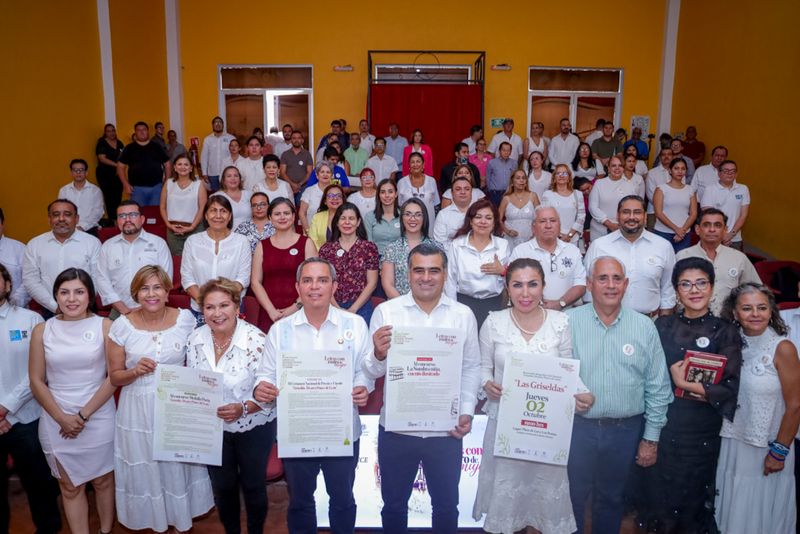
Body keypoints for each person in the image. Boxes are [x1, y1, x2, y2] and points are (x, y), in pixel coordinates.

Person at [366, 242, 481, 533]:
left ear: (445, 274)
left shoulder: (462, 315)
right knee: (393, 506)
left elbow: (470, 368)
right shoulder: (387, 313)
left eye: (434, 271)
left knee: (445, 507)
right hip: (396, 429)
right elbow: (371, 372)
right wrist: (378, 354)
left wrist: (466, 411)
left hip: (446, 430)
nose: (426, 277)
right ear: (408, 273)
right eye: (419, 270)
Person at [473, 258, 592, 534]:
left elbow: (568, 370)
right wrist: (488, 384)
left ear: (543, 286)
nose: (525, 293)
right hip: (506, 425)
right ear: (507, 287)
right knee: (507, 506)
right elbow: (481, 368)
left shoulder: (560, 322)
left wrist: (583, 394)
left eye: (532, 284)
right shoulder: (494, 322)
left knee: (541, 508)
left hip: (546, 431)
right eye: (517, 285)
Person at [254, 257, 373, 533]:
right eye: (307, 280)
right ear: (297, 287)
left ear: (334, 286)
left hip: (342, 432)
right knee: (300, 502)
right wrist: (262, 387)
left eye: (322, 280)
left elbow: (365, 370)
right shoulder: (280, 330)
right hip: (298, 432)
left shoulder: (355, 325)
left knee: (343, 500)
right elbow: (265, 374)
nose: (314, 287)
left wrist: (362, 386)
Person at [633, 257, 742, 533]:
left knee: (693, 500)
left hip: (702, 432)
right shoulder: (662, 327)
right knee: (658, 497)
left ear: (712, 287)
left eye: (701, 283)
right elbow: (648, 378)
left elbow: (729, 387)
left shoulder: (726, 332)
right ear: (676, 290)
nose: (694, 290)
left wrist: (686, 383)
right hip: (664, 426)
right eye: (686, 284)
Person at [567, 256, 673, 534]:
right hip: (576, 430)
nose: (610, 285)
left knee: (612, 499)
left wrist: (650, 439)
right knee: (570, 499)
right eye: (602, 278)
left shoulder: (644, 327)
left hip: (624, 431)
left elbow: (658, 386)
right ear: (589, 284)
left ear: (626, 285)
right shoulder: (566, 322)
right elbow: (554, 374)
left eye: (617, 279)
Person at [107, 265, 214, 532]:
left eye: (157, 287)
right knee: (147, 467)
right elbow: (115, 377)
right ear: (136, 294)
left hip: (176, 405)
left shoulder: (186, 319)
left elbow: (202, 360)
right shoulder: (121, 326)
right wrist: (133, 371)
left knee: (177, 466)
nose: (151, 293)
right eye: (144, 288)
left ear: (167, 291)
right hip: (137, 408)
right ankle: (155, 522)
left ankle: (180, 522)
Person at [29, 268, 116, 534]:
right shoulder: (42, 330)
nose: (71, 299)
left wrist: (82, 416)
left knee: (103, 480)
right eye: (64, 292)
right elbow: (36, 380)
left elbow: (113, 377)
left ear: (90, 295)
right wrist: (62, 418)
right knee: (69, 486)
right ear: (55, 295)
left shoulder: (105, 325)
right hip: (56, 416)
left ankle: (104, 530)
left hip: (98, 414)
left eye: (79, 291)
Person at [186, 278, 275, 534]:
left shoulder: (257, 340)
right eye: (210, 307)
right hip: (213, 429)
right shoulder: (195, 340)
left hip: (254, 426)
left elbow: (270, 392)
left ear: (237, 307)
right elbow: (194, 383)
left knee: (253, 485)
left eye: (224, 305)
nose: (217, 313)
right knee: (223, 487)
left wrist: (243, 409)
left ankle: (256, 530)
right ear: (202, 310)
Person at [716, 283, 800, 534]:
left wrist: (779, 452)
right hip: (732, 440)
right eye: (747, 308)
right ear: (734, 313)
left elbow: (795, 405)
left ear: (771, 312)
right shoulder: (729, 344)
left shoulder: (782, 348)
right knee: (733, 505)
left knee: (758, 511)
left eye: (762, 307)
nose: (755, 314)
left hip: (767, 446)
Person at [0, 263, 61, 534]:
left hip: (27, 418)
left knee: (40, 487)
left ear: (8, 284)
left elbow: (38, 371)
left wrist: (5, 408)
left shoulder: (31, 320)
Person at [585, 195, 676, 316]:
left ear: (644, 217)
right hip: (606, 322)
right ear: (618, 216)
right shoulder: (599, 246)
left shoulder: (663, 246)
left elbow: (668, 288)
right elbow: (588, 288)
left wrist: (664, 321)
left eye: (637, 212)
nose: (631, 217)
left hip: (650, 322)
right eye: (626, 212)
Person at [676, 207, 760, 315]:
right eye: (706, 225)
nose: (712, 229)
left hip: (728, 324)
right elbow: (670, 293)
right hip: (690, 323)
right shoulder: (682, 257)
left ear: (725, 229)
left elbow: (755, 291)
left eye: (717, 225)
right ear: (697, 229)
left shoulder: (739, 258)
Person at [181, 196, 252, 324]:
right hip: (200, 308)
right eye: (213, 210)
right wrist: (207, 305)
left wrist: (223, 305)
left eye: (223, 211)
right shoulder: (192, 242)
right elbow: (187, 279)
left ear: (230, 216)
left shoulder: (242, 241)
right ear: (206, 215)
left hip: (231, 310)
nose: (218, 215)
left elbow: (242, 279)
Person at [23, 199, 101, 314]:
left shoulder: (92, 243)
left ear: (77, 219)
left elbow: (98, 278)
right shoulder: (35, 245)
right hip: (50, 310)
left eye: (68, 214)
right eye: (56, 215)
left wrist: (80, 304)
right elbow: (30, 280)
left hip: (85, 308)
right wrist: (54, 307)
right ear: (49, 219)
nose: (61, 219)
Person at [96, 201, 172, 318]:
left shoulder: (158, 244)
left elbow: (165, 279)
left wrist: (143, 308)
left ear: (142, 219)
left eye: (133, 215)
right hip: (118, 311)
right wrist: (123, 309)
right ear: (117, 221)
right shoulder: (108, 246)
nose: (127, 220)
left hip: (152, 309)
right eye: (122, 216)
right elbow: (102, 279)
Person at [250, 198, 316, 333]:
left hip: (301, 311)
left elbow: (313, 281)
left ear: (293, 216)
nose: (282, 217)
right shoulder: (262, 246)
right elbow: (256, 282)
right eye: (277, 214)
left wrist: (295, 307)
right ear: (270, 218)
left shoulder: (306, 243)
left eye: (286, 213)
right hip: (270, 314)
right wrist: (271, 311)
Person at [445, 199, 509, 327]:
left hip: (493, 303)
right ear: (470, 221)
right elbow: (450, 280)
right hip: (463, 303)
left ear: (494, 222)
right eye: (478, 217)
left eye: (488, 218)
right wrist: (453, 310)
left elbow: (513, 280)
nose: (483, 222)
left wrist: (503, 271)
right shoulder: (458, 244)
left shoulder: (503, 245)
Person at [509, 205, 587, 310]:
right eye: (542, 221)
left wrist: (560, 303)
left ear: (559, 225)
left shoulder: (573, 251)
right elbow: (512, 285)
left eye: (553, 220)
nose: (548, 225)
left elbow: (581, 284)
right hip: (530, 315)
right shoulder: (520, 252)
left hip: (566, 315)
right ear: (533, 227)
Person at [319, 203, 379, 323]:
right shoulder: (326, 249)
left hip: (361, 307)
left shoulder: (369, 247)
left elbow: (372, 283)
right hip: (331, 306)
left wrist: (353, 308)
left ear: (358, 222)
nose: (347, 222)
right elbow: (323, 281)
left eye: (351, 218)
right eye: (343, 218)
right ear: (337, 222)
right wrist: (336, 308)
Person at [382, 198, 440, 298]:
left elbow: (441, 282)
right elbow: (388, 285)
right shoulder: (391, 249)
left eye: (418, 214)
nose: (412, 219)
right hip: (399, 307)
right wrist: (406, 307)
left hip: (430, 306)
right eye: (408, 214)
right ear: (402, 218)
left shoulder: (436, 248)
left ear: (424, 218)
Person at [159, 155, 207, 256]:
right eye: (179, 164)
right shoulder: (168, 183)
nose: (183, 167)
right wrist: (168, 225)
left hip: (195, 229)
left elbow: (202, 208)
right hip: (173, 229)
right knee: (177, 261)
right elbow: (162, 207)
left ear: (191, 168)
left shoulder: (198, 184)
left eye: (186, 164)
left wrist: (192, 227)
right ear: (175, 168)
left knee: (196, 260)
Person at [698, 159, 750, 250]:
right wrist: (723, 235)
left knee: (733, 263)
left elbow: (743, 215)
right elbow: (708, 215)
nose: (729, 173)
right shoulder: (710, 189)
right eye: (726, 171)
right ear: (719, 173)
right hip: (713, 236)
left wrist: (730, 235)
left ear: (736, 174)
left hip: (734, 238)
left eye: (733, 171)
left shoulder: (743, 189)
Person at [588, 155, 642, 241]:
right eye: (613, 165)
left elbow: (634, 208)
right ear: (608, 168)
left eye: (620, 165)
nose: (617, 168)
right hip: (600, 230)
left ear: (623, 168)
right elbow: (593, 207)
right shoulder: (599, 183)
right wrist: (609, 224)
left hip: (623, 230)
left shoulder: (631, 186)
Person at [118, 121, 171, 207]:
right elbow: (120, 167)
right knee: (139, 214)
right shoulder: (129, 148)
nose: (142, 132)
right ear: (135, 133)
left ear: (148, 131)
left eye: (144, 129)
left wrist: (166, 182)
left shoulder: (156, 147)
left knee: (155, 215)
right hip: (137, 189)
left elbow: (167, 164)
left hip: (156, 188)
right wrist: (125, 183)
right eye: (139, 130)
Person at [653, 158, 698, 252]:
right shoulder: (661, 189)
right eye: (676, 168)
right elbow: (658, 213)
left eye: (683, 168)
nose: (680, 171)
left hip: (684, 234)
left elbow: (693, 214)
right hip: (663, 232)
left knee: (682, 264)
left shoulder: (690, 189)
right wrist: (676, 229)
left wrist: (683, 230)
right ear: (670, 170)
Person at [541, 164, 586, 246]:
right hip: (552, 237)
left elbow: (581, 217)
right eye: (558, 173)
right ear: (554, 177)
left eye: (565, 173)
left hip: (572, 239)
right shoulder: (547, 194)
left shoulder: (578, 194)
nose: (561, 176)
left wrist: (569, 235)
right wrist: (559, 235)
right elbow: (544, 217)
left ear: (569, 177)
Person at [397, 152, 440, 238]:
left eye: (418, 161)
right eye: (412, 162)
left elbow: (436, 204)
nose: (415, 164)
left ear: (423, 164)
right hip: (409, 225)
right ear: (409, 165)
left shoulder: (431, 181)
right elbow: (399, 206)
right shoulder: (401, 182)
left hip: (429, 226)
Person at [56, 160, 104, 237]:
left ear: (86, 172)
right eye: (75, 170)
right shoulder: (64, 190)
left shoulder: (95, 190)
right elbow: (60, 211)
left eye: (81, 170)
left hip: (90, 230)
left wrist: (82, 227)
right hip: (68, 229)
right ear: (71, 173)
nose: (78, 172)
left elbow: (98, 212)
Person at [499, 169, 539, 250]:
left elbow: (540, 218)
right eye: (518, 178)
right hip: (511, 241)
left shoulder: (533, 196)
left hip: (530, 239)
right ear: (512, 182)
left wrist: (535, 234)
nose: (521, 180)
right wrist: (507, 231)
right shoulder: (506, 198)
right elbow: (498, 219)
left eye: (523, 178)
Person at [364, 178, 401, 258]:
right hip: (376, 258)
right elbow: (369, 245)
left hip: (400, 258)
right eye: (383, 192)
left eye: (390, 192)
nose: (387, 195)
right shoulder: (369, 217)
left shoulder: (404, 215)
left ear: (396, 194)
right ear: (378, 195)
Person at [95, 123, 125, 222]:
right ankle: (112, 220)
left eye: (113, 130)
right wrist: (117, 166)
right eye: (109, 131)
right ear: (105, 133)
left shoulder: (119, 143)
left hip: (118, 174)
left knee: (118, 196)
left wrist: (120, 168)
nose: (111, 133)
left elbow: (123, 158)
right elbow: (102, 158)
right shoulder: (102, 143)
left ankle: (118, 218)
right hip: (105, 174)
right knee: (109, 197)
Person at [433, 175, 476, 244]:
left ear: (471, 193)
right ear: (452, 193)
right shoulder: (443, 214)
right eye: (458, 189)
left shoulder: (479, 213)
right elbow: (439, 244)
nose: (463, 192)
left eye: (467, 189)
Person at [0, 209, 29, 307]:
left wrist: (14, 302)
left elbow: (29, 280)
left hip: (17, 309)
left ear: (2, 224)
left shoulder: (20, 249)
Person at [211, 165, 252, 230]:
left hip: (250, 235)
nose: (233, 178)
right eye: (229, 176)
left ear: (240, 179)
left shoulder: (249, 194)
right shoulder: (216, 197)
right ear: (223, 180)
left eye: (236, 176)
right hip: (226, 235)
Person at [299, 161, 334, 234]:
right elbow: (302, 213)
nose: (325, 174)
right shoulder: (309, 191)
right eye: (322, 172)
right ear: (317, 175)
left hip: (332, 233)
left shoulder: (336, 192)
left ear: (332, 176)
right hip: (311, 232)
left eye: (328, 172)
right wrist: (308, 231)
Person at [280, 130, 314, 205]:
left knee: (301, 207)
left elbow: (310, 172)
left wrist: (299, 185)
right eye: (294, 138)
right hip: (287, 187)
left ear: (302, 140)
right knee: (287, 206)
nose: (296, 140)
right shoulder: (285, 154)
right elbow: (282, 172)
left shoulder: (307, 154)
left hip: (303, 188)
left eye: (299, 138)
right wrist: (292, 184)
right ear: (291, 140)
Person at [307, 183, 345, 249]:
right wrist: (323, 256)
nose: (335, 198)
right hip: (320, 257)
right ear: (325, 201)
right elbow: (312, 242)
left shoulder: (349, 217)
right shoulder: (317, 217)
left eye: (338, 196)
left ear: (343, 200)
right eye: (330, 195)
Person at [646, 147, 676, 228]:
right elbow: (650, 195)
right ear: (660, 157)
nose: (666, 157)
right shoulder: (652, 173)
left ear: (673, 157)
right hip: (654, 212)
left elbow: (680, 193)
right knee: (652, 238)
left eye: (669, 154)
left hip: (674, 212)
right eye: (663, 155)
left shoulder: (678, 172)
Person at [486, 142, 518, 207]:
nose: (506, 152)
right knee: (495, 214)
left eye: (508, 150)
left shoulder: (514, 163)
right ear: (499, 151)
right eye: (503, 150)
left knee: (507, 214)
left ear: (510, 152)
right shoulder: (492, 162)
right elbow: (488, 177)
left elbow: (515, 178)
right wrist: (491, 191)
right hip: (495, 194)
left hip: (509, 193)